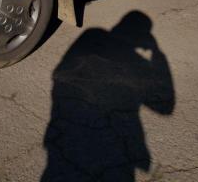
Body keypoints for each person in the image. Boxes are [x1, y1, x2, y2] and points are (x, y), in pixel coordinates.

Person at [41, 11, 175, 182]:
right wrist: (157, 53)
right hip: (112, 151)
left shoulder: (93, 35)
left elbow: (59, 73)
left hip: (65, 137)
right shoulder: (135, 61)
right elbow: (165, 107)